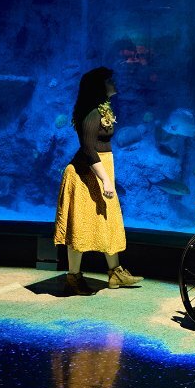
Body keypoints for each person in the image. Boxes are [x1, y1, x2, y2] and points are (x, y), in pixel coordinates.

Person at [54, 66, 142, 296]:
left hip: (99, 171)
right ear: (98, 87)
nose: (113, 83)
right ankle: (73, 277)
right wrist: (106, 180)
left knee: (108, 221)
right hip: (85, 176)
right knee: (79, 225)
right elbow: (88, 150)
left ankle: (115, 273)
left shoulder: (101, 110)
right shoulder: (92, 114)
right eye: (108, 80)